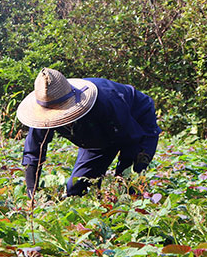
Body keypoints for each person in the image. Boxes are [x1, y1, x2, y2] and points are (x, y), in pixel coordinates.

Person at [17, 68, 160, 199]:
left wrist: (122, 178)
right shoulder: (45, 111)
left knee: (127, 190)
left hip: (136, 123)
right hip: (94, 136)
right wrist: (32, 193)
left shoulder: (106, 102)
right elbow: (34, 152)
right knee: (76, 190)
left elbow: (131, 139)